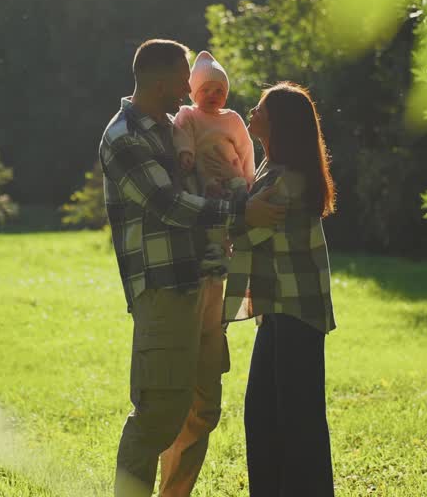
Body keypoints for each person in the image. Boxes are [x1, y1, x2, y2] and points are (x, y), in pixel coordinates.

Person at [99, 39, 286, 497]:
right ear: (160, 81)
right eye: (183, 80)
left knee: (202, 411)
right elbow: (168, 205)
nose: (189, 89)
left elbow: (213, 182)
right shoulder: (125, 137)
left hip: (207, 281)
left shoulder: (179, 127)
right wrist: (242, 213)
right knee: (159, 414)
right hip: (165, 289)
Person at [213, 82, 337, 497]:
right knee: (265, 416)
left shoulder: (288, 180)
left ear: (279, 124)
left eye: (261, 109)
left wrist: (219, 199)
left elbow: (243, 234)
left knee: (295, 423)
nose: (252, 112)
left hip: (296, 313)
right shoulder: (273, 168)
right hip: (279, 310)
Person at [172, 50, 257, 268]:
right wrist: (185, 152)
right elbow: (181, 131)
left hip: (233, 176)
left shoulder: (232, 119)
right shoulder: (189, 114)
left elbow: (246, 148)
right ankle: (214, 252)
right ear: (194, 93)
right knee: (212, 215)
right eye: (205, 90)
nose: (213, 95)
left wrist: (248, 178)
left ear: (226, 95)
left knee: (234, 215)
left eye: (219, 90)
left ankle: (228, 251)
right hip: (204, 178)